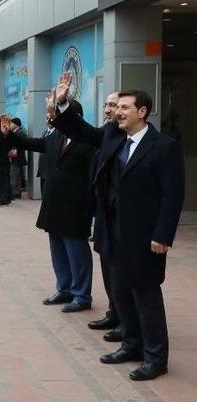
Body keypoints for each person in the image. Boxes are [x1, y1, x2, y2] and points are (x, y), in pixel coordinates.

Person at [51, 78, 184, 381]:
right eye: (117, 107)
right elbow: (82, 131)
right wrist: (63, 103)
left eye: (125, 107)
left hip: (145, 234)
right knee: (120, 291)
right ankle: (131, 344)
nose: (117, 112)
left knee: (145, 295)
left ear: (143, 112)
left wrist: (163, 235)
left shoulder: (165, 147)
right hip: (112, 230)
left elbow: (172, 196)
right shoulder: (113, 136)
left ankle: (155, 358)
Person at [0, 102, 96, 313]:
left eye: (55, 114)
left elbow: (92, 178)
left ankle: (81, 295)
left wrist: (91, 206)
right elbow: (32, 144)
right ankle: (64, 289)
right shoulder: (55, 137)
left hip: (76, 206)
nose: (51, 118)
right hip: (54, 203)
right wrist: (10, 135)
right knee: (58, 249)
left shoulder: (89, 140)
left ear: (74, 116)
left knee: (76, 251)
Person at [87, 91, 124, 343]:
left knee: (120, 271)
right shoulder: (106, 132)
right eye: (107, 104)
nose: (109, 109)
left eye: (115, 105)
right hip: (103, 213)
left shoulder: (127, 138)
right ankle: (114, 312)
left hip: (121, 215)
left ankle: (125, 320)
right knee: (107, 266)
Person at [9, 118, 28, 199]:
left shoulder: (19, 133)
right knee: (15, 175)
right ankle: (16, 191)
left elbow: (18, 146)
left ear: (16, 124)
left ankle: (15, 192)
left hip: (17, 158)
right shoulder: (17, 132)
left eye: (11, 123)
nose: (10, 125)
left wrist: (11, 153)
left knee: (15, 176)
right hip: (16, 158)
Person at [37, 121, 56, 193]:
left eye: (51, 118)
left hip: (51, 166)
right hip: (42, 166)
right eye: (47, 119)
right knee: (43, 188)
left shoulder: (58, 133)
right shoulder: (44, 132)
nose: (49, 121)